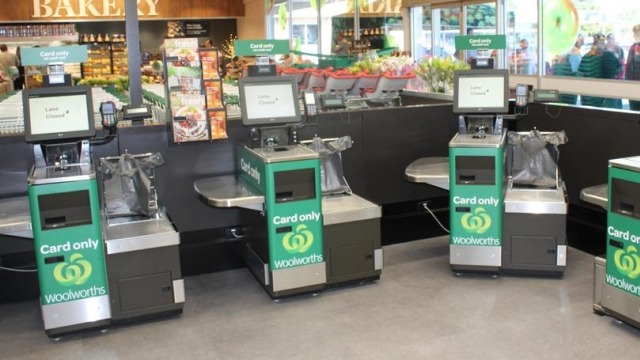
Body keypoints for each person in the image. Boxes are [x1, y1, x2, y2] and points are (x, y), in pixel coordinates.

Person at [625, 24, 640, 111]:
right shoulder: (633, 47)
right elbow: (628, 67)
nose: (636, 37)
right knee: (634, 112)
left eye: (638, 34)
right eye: (635, 34)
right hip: (633, 85)